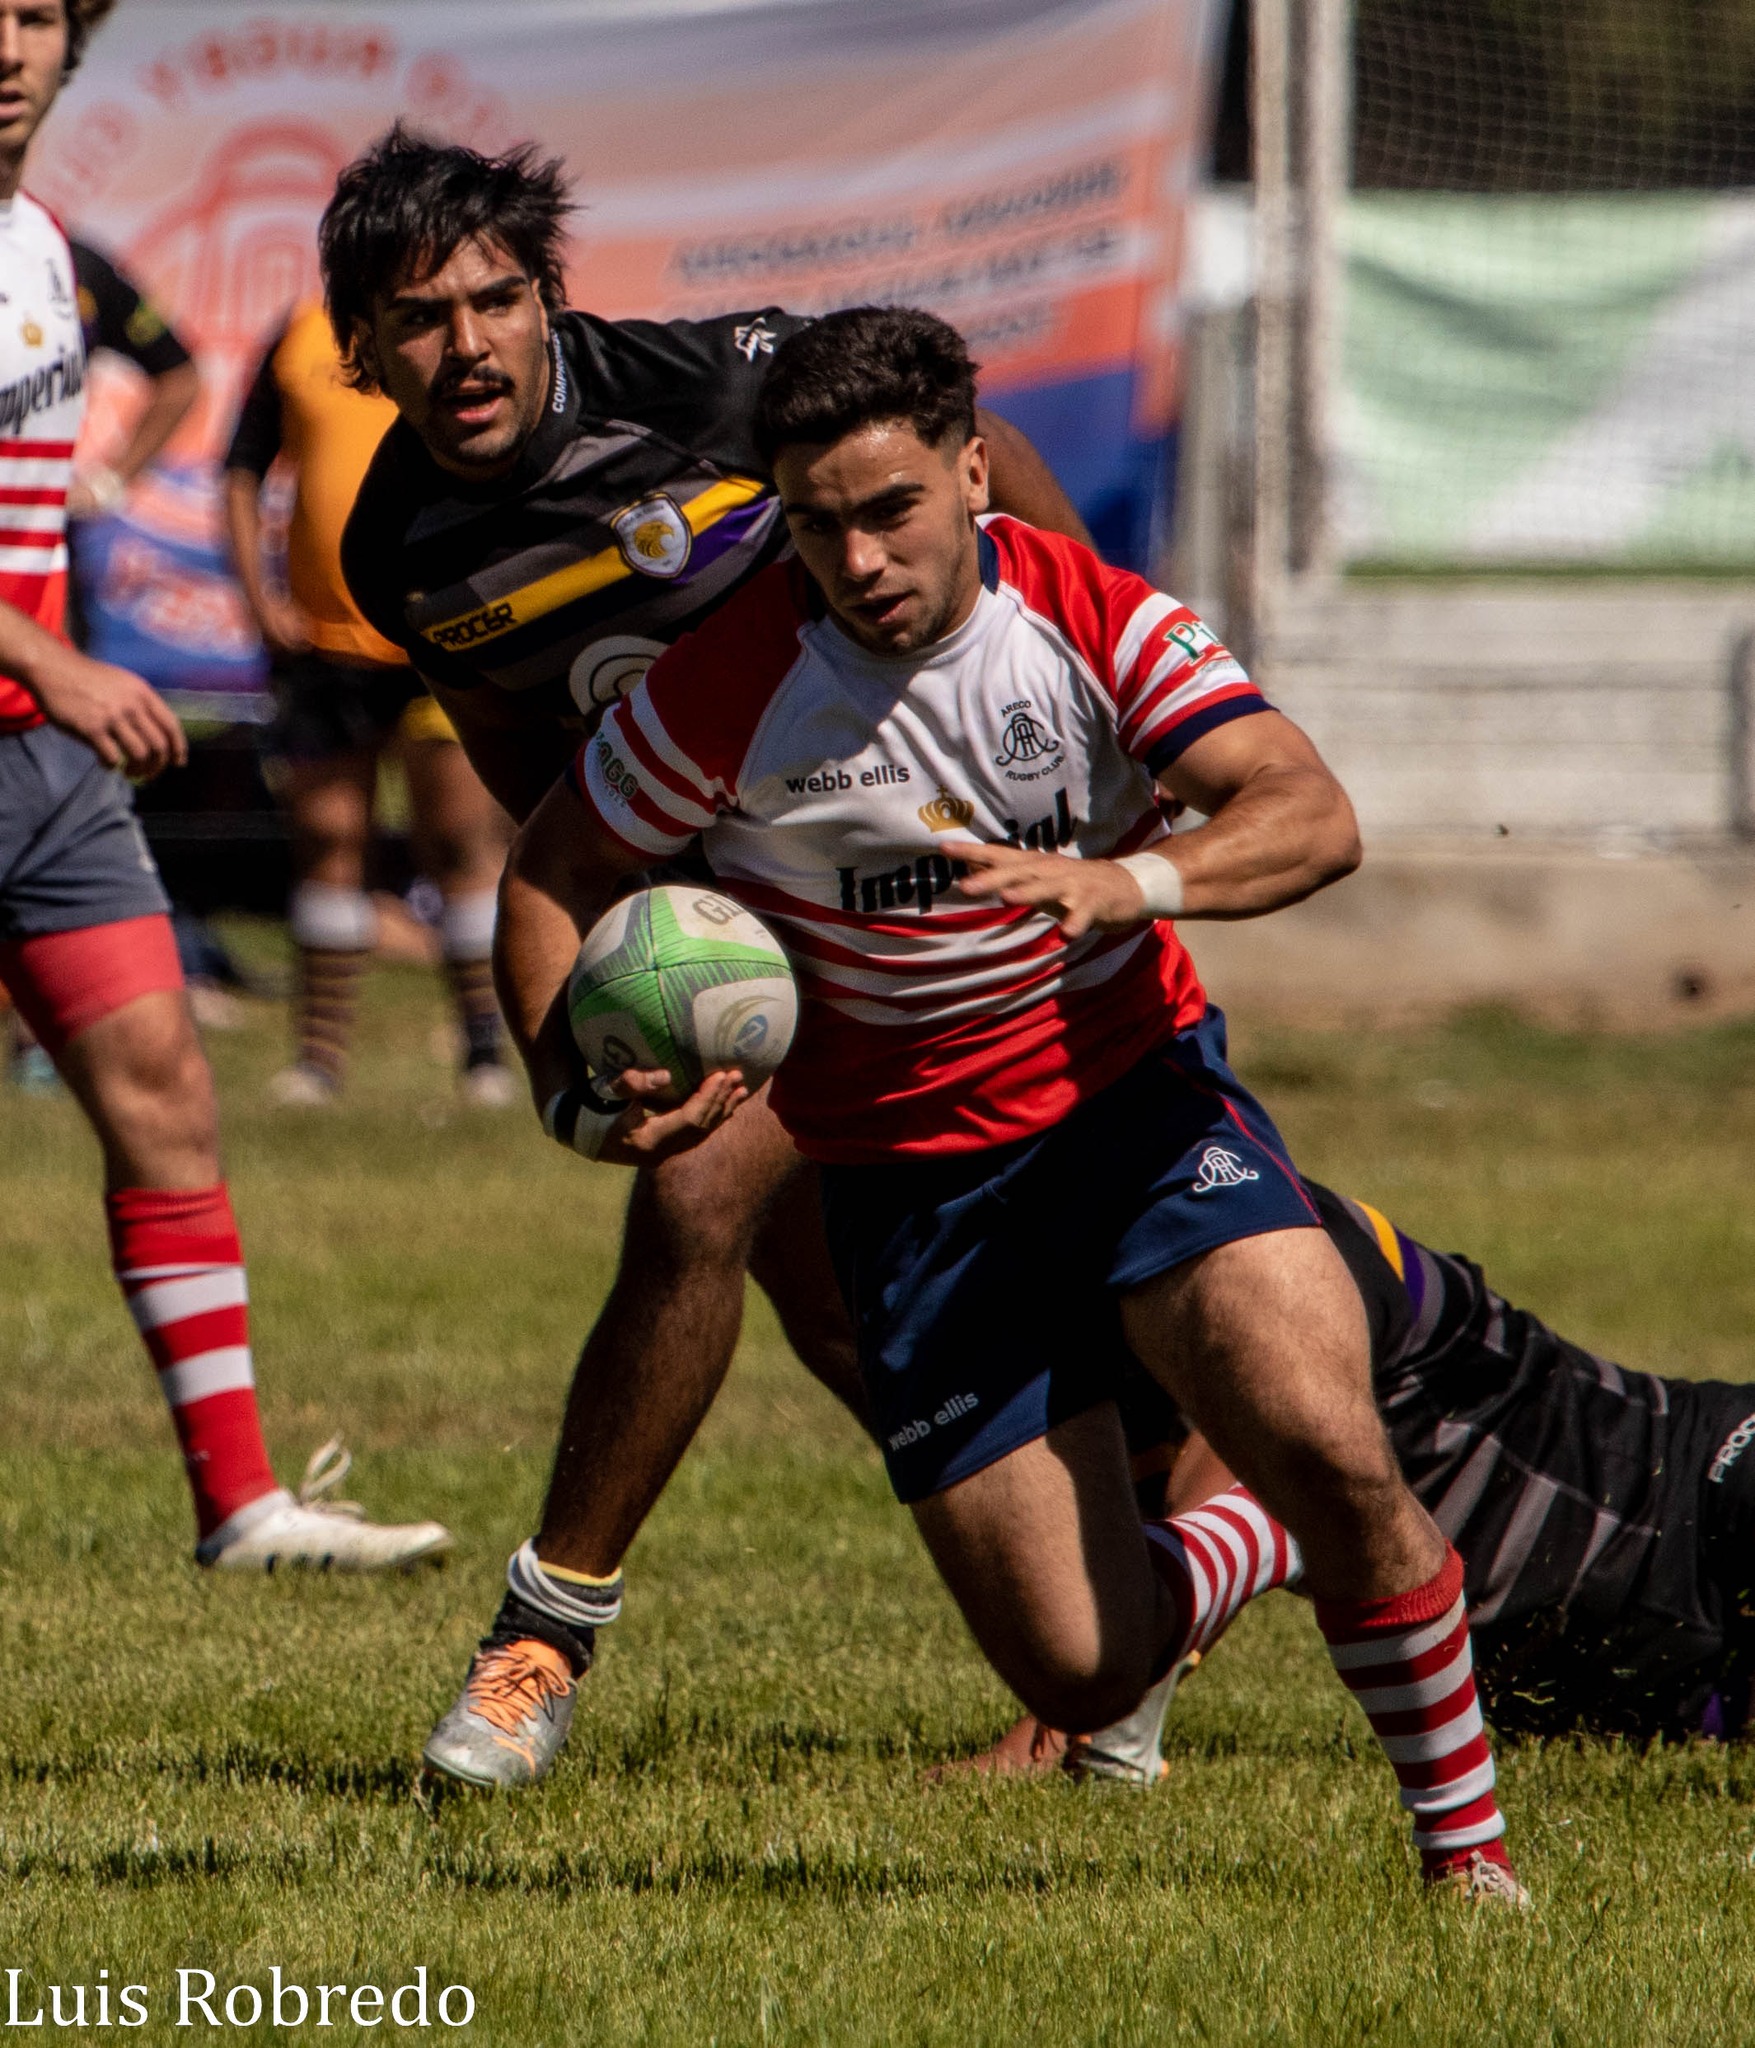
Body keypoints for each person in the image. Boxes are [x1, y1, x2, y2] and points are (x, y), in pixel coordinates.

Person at [473, 305, 1527, 1904]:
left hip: (1131, 1113)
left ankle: (1469, 1873)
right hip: (907, 1190)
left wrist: (1128, 880)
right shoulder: (727, 686)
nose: (861, 559)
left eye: (892, 510)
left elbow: (1307, 812)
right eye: (817, 526)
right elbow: (556, 868)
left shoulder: (1091, 618)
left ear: (973, 473)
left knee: (1323, 1433)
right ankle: (1241, 1525)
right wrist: (570, 1088)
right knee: (1084, 1674)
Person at [324, 130, 1097, 1758]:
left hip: (904, 846)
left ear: (548, 296)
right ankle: (1118, 1633)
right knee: (837, 1305)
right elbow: (519, 750)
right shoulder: (399, 550)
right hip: (717, 903)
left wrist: (1092, 660)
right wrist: (609, 950)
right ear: (359, 349)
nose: (464, 344)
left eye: (495, 298)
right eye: (417, 316)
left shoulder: (713, 385)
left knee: (706, 1197)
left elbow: (968, 455)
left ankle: (538, 1646)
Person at [0, 0, 451, 1571]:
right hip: (50, 709)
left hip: (45, 774)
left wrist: (51, 676)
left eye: (36, 14)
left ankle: (240, 1505)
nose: (6, 45)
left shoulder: (51, 251)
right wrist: (54, 660)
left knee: (168, 1096)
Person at [968, 1178, 1755, 1779]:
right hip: (1608, 1681)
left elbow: (1243, 1488)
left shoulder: (1278, 1234)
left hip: (1696, 1480)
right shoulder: (1078, 1329)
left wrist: (1070, 1724)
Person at [223, 300, 515, 1107]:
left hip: (441, 633)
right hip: (321, 645)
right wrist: (258, 596)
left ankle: (485, 1055)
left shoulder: (454, 334)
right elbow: (242, 468)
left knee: (459, 841)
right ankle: (317, 1065)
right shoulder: (296, 330)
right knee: (326, 838)